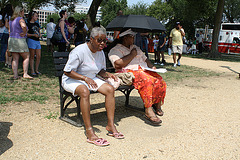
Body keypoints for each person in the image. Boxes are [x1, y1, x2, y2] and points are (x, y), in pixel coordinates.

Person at [62, 27, 124, 146]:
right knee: (84, 91)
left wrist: (108, 75)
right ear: (91, 39)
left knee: (109, 89)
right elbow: (67, 71)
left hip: (90, 78)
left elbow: (99, 71)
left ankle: (110, 125)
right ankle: (89, 131)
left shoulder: (100, 52)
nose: (102, 43)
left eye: (104, 41)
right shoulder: (79, 51)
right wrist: (85, 78)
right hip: (72, 79)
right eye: (99, 40)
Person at [108, 29, 167, 124]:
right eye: (131, 37)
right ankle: (148, 110)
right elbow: (117, 64)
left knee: (159, 80)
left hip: (142, 70)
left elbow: (145, 59)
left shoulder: (135, 47)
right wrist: (132, 55)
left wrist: (152, 66)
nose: (133, 38)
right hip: (128, 72)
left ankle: (157, 105)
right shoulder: (115, 50)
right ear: (125, 38)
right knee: (147, 81)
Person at [8, 6, 33, 79]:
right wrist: (24, 32)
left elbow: (9, 31)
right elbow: (24, 26)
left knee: (15, 58)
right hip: (19, 39)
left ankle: (15, 75)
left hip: (12, 39)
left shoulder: (11, 20)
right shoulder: (20, 19)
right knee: (26, 56)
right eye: (23, 11)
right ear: (20, 12)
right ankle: (25, 73)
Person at [27, 11, 42, 76]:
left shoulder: (37, 24)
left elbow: (39, 31)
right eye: (36, 16)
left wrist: (40, 35)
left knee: (38, 56)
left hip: (37, 41)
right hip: (31, 40)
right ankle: (32, 70)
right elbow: (26, 34)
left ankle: (36, 69)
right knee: (32, 56)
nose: (37, 17)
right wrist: (33, 35)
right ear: (32, 16)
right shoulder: (28, 24)